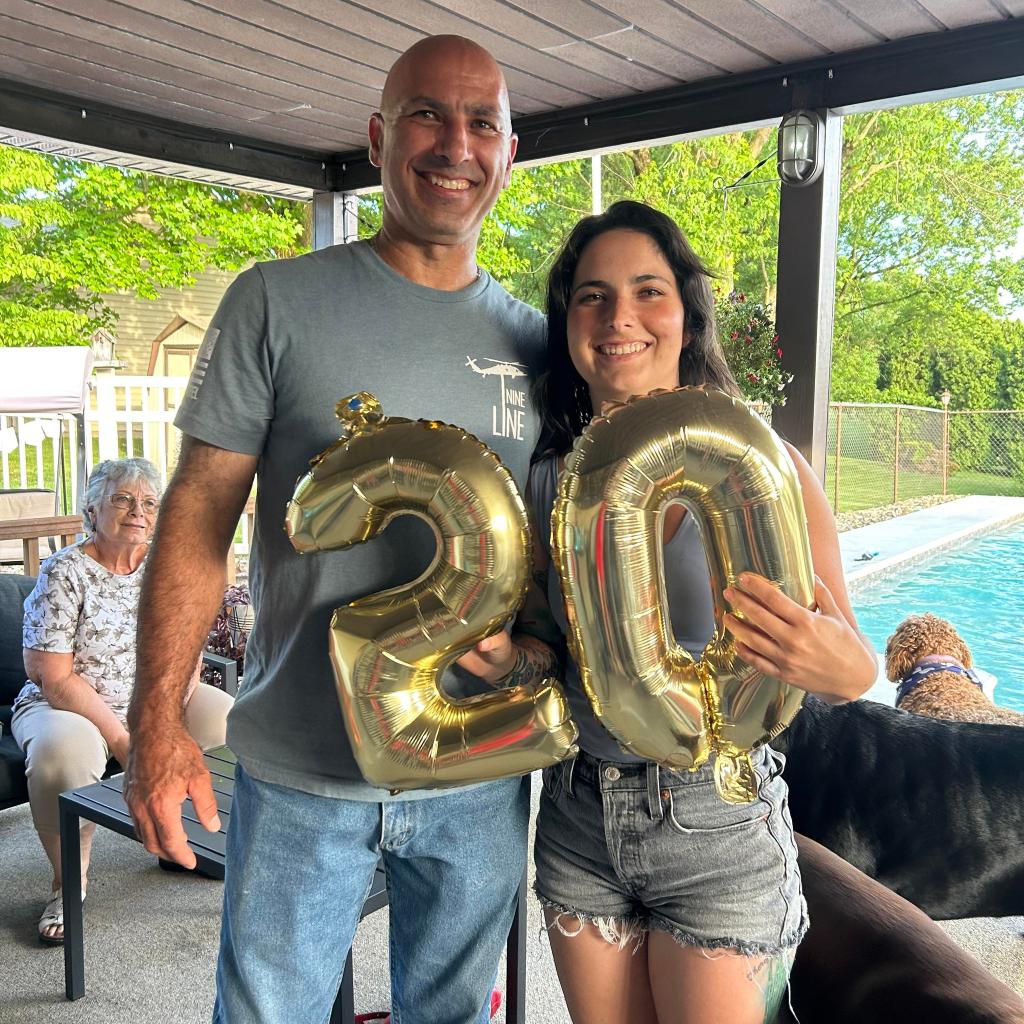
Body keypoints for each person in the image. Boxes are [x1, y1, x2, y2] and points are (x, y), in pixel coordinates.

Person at [124, 35, 553, 1024]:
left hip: (477, 772)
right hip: (299, 770)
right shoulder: (277, 303)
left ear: (508, 151)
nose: (454, 144)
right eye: (426, 116)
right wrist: (155, 723)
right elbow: (195, 518)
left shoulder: (537, 343)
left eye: (480, 121)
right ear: (377, 137)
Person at [475, 201, 879, 1024]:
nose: (619, 316)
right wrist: (506, 660)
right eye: (591, 295)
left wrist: (844, 667)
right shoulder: (549, 479)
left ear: (687, 316)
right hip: (579, 816)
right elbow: (551, 653)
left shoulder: (769, 472)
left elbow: (852, 667)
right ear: (568, 326)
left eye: (647, 290)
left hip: (717, 821)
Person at [11, 457, 232, 945]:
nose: (138, 511)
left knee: (224, 720)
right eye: (123, 499)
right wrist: (122, 735)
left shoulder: (166, 568)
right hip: (68, 704)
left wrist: (166, 715)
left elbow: (188, 648)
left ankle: (181, 840)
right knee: (59, 755)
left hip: (156, 697)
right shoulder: (64, 572)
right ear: (92, 509)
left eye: (149, 503)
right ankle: (69, 879)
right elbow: (53, 676)